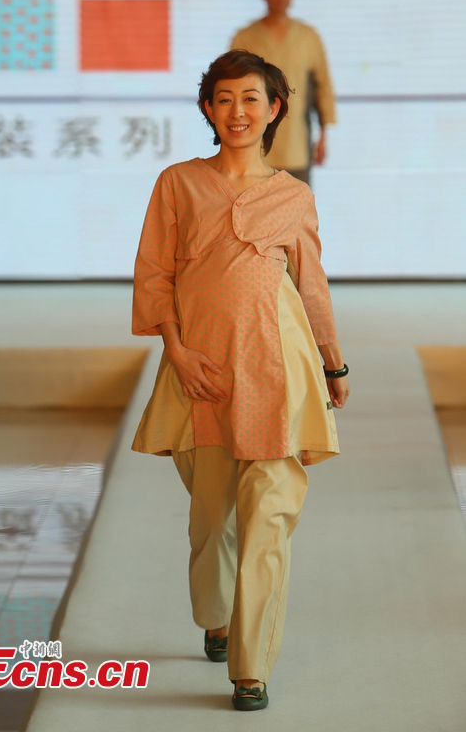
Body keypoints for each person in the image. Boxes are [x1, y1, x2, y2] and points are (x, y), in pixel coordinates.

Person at [131, 50, 350, 711]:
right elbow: (154, 274)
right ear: (207, 108)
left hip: (278, 369)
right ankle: (216, 618)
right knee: (212, 522)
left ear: (274, 108)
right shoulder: (178, 183)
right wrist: (176, 351)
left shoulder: (291, 195)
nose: (238, 111)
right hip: (200, 371)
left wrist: (330, 359)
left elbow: (309, 283)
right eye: (224, 99)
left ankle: (250, 669)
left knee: (269, 520)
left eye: (251, 98)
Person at [230, 0, 336, 185]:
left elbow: (323, 87)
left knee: (297, 215)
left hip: (297, 147)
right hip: (254, 150)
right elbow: (231, 93)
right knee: (254, 215)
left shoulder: (309, 37)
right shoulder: (245, 38)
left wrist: (323, 137)